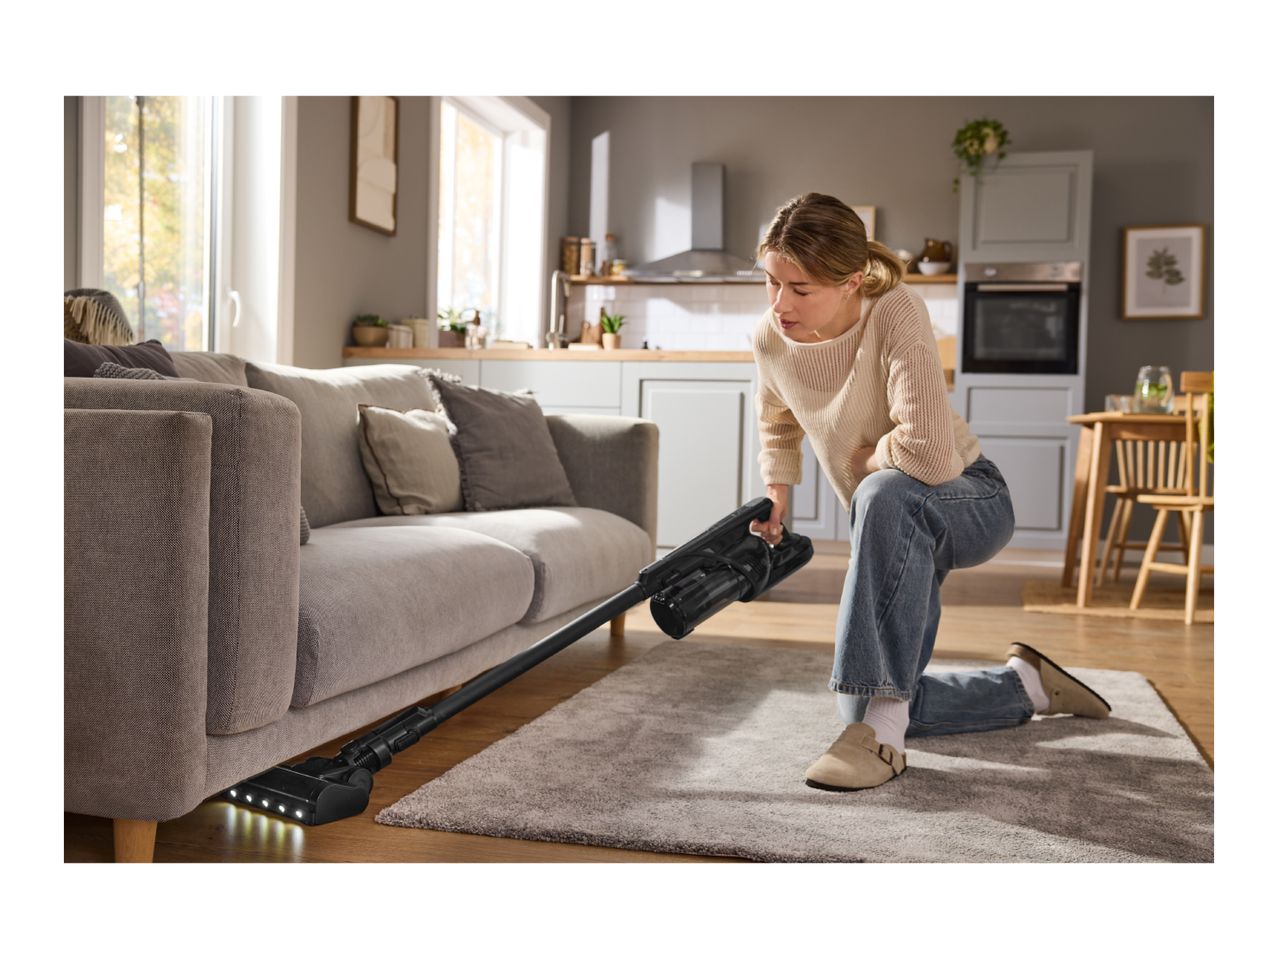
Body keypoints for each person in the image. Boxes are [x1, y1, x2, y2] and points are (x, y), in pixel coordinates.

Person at [748, 193, 1110, 791]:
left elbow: (931, 456)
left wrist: (867, 458)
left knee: (884, 489)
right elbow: (778, 419)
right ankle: (1028, 685)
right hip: (890, 516)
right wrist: (777, 495)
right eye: (770, 282)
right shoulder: (769, 336)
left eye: (800, 288)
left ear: (851, 281)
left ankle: (884, 746)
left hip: (968, 497)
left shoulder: (895, 311)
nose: (780, 303)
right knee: (862, 702)